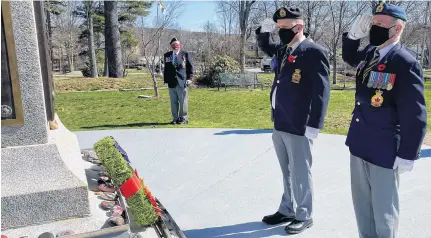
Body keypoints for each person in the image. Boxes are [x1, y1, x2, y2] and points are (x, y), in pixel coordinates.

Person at [342, 2, 427, 237]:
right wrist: (352, 36)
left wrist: (408, 154)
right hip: (359, 142)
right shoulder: (370, 53)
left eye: (381, 25)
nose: (374, 28)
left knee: (384, 211)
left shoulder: (405, 62)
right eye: (373, 23)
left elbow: (415, 113)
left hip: (385, 148)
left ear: (397, 29)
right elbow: (349, 56)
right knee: (362, 207)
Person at [256, 7, 330, 234]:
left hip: (299, 124)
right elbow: (267, 46)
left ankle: (304, 214)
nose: (280, 33)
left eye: (284, 28)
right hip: (280, 121)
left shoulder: (313, 51)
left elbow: (321, 92)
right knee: (286, 171)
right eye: (278, 28)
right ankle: (287, 208)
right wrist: (263, 31)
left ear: (299, 27)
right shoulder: (283, 49)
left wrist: (314, 124)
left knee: (300, 171)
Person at [163, 37, 193, 124]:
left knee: (183, 101)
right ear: (171, 46)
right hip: (171, 82)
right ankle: (175, 118)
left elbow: (190, 67)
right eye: (173, 45)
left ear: (180, 45)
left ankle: (183, 118)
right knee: (173, 102)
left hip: (182, 82)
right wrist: (165, 80)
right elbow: (166, 69)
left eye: (177, 44)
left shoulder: (185, 54)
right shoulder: (167, 55)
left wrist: (189, 79)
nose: (175, 46)